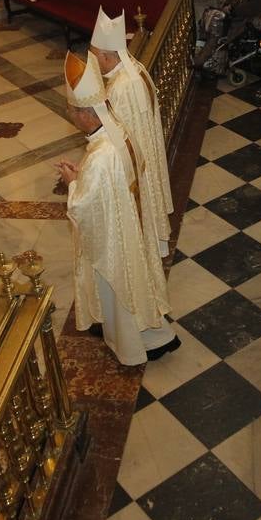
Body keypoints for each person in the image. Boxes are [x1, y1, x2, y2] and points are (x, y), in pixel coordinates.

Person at [56, 51, 179, 365]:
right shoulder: (119, 130)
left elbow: (84, 207)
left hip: (115, 239)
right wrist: (82, 175)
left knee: (122, 291)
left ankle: (133, 346)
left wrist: (72, 182)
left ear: (86, 113)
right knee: (137, 285)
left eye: (71, 110)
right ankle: (157, 337)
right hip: (128, 225)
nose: (70, 115)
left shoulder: (99, 156)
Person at [91, 8, 173, 258]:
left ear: (106, 56)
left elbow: (120, 136)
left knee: (142, 203)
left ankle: (148, 246)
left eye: (95, 56)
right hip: (148, 152)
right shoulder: (135, 68)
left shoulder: (120, 87)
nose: (93, 61)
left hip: (137, 162)